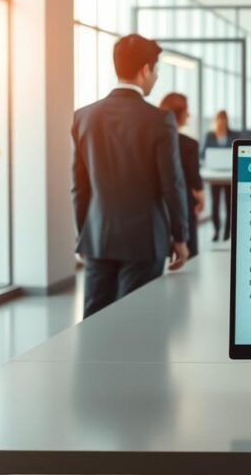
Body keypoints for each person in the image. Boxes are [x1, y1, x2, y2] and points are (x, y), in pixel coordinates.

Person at [71, 34, 189, 319]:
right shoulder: (159, 120)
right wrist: (180, 237)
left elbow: (79, 186)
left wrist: (83, 235)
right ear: (146, 69)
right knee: (137, 324)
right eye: (156, 70)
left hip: (98, 237)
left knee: (95, 322)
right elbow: (171, 184)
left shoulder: (84, 116)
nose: (156, 77)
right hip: (145, 240)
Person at [159, 93, 204, 257]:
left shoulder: (153, 140)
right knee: (189, 255)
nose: (189, 115)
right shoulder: (189, 144)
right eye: (187, 111)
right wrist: (200, 198)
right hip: (183, 204)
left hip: (157, 207)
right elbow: (194, 181)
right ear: (181, 113)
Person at [202, 110, 234, 242]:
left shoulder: (233, 134)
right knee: (215, 204)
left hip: (229, 175)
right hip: (214, 175)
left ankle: (227, 232)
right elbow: (203, 153)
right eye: (219, 119)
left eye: (224, 119)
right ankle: (216, 230)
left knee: (229, 204)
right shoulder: (210, 135)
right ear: (216, 120)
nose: (222, 121)